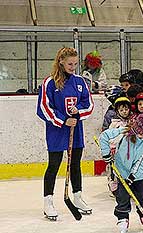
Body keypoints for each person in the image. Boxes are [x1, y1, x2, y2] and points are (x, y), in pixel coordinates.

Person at [36, 47, 94, 221]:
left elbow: (89, 104)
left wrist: (78, 113)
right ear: (61, 61)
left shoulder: (80, 81)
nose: (73, 67)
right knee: (54, 164)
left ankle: (77, 197)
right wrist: (62, 120)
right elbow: (43, 108)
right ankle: (48, 202)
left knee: (75, 163)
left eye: (76, 64)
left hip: (75, 130)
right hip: (56, 130)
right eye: (70, 64)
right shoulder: (50, 83)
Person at [99, 111, 143, 233]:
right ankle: (122, 218)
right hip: (121, 172)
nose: (142, 136)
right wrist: (106, 154)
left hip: (139, 175)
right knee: (122, 197)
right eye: (140, 133)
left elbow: (142, 162)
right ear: (135, 127)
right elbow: (104, 137)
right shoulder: (123, 133)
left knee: (142, 197)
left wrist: (133, 176)